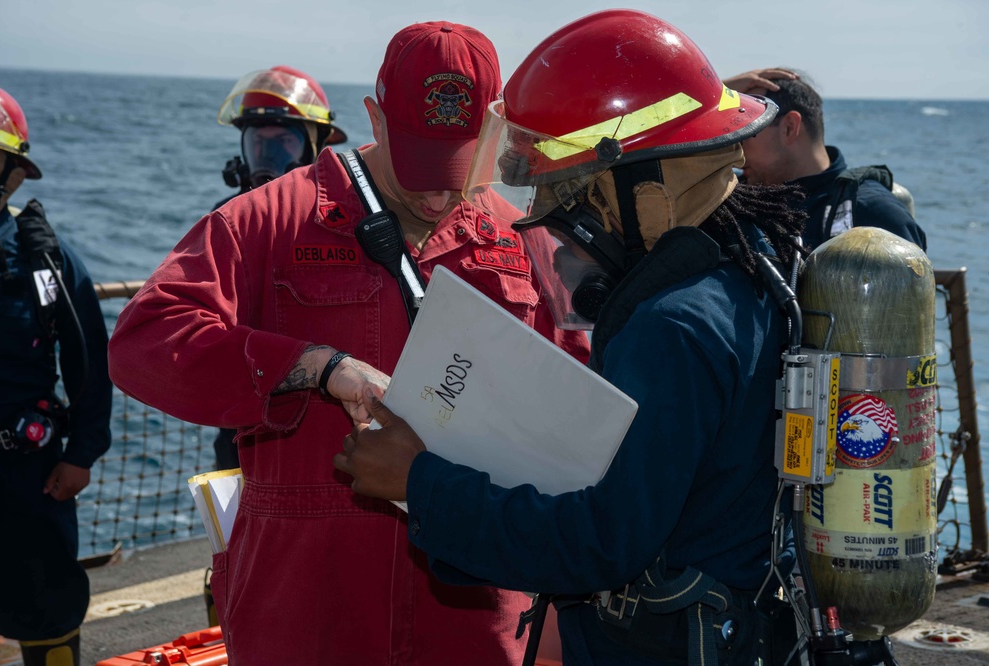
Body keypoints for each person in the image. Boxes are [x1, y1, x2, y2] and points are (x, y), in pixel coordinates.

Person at [107, 20, 589, 665]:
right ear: (375, 118)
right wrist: (316, 367)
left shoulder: (521, 237)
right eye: (419, 163)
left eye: (457, 164)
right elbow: (145, 340)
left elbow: (579, 394)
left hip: (473, 604)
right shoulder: (266, 220)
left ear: (497, 132)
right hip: (306, 602)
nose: (438, 191)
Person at [334, 9, 807, 665]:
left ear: (638, 182)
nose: (569, 226)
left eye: (577, 195)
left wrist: (420, 481)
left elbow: (601, 544)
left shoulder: (672, 326)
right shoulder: (747, 270)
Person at [0, 81, 113, 666]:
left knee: (47, 610)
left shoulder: (45, 258)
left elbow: (88, 359)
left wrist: (81, 455)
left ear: (10, 173)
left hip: (25, 472)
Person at [211, 65, 348, 470]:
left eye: (283, 143)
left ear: (315, 148)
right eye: (260, 144)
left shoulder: (350, 226)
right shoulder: (225, 225)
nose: (268, 160)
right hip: (244, 435)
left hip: (329, 430)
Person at [723, 68, 926, 251]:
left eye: (745, 131)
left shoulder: (871, 214)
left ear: (789, 127)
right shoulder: (731, 198)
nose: (735, 151)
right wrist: (719, 93)